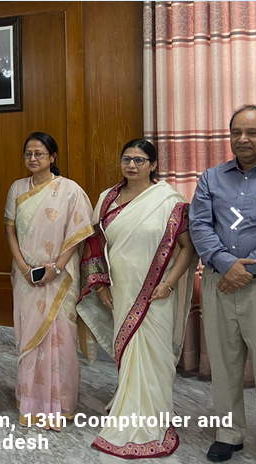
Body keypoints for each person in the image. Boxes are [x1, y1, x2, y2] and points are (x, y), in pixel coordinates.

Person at [76, 139, 197, 458]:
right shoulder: (107, 199)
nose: (132, 165)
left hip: (157, 293)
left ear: (153, 165)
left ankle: (152, 416)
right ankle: (127, 403)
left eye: (140, 160)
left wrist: (168, 284)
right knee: (128, 353)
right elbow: (92, 246)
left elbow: (188, 248)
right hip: (120, 290)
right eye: (126, 159)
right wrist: (100, 285)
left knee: (154, 356)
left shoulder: (169, 200)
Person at [189, 104, 256, 464]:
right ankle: (228, 433)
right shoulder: (210, 178)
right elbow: (200, 226)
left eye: (252, 132)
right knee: (224, 364)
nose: (243, 139)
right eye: (236, 132)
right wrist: (226, 264)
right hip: (219, 283)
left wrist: (248, 270)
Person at [3, 133, 93, 430]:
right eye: (28, 154)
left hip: (60, 278)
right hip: (25, 277)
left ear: (52, 157)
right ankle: (30, 403)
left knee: (60, 339)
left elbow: (78, 233)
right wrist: (22, 265)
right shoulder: (17, 188)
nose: (33, 159)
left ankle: (61, 404)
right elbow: (10, 231)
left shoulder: (70, 191)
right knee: (28, 338)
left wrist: (56, 266)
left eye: (39, 154)